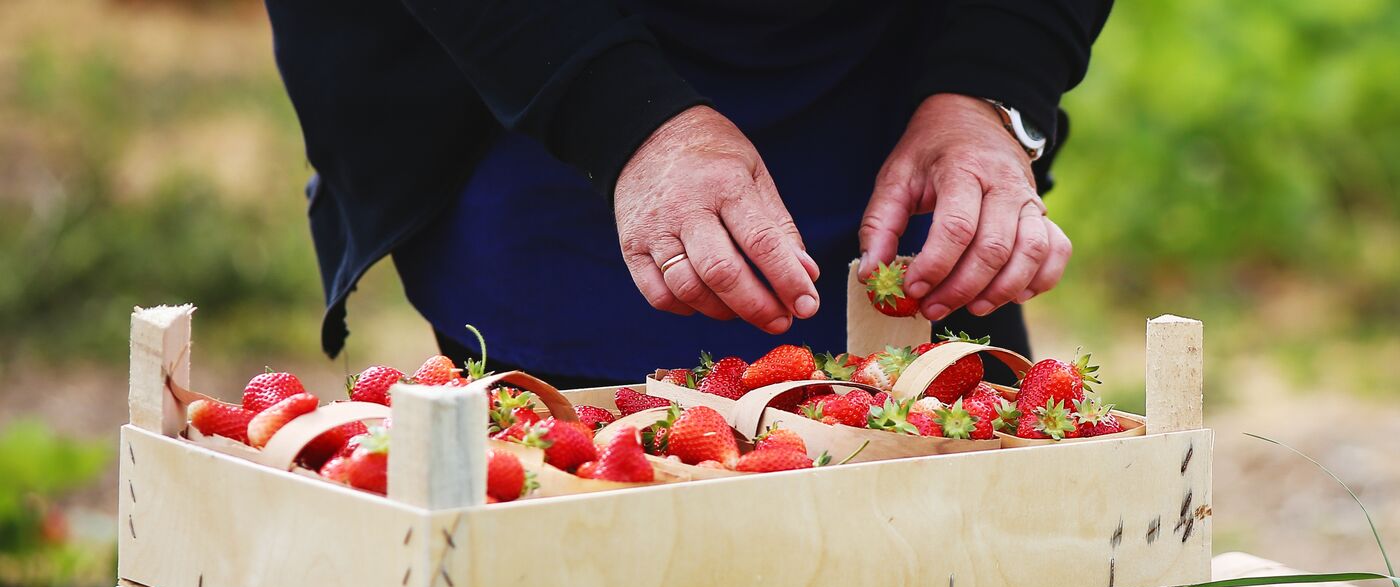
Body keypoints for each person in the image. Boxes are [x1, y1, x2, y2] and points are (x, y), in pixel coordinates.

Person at [264, 1, 1112, 387]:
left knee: (956, 576)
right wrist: (618, 117)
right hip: (541, 57)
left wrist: (992, 88)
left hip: (887, 54)